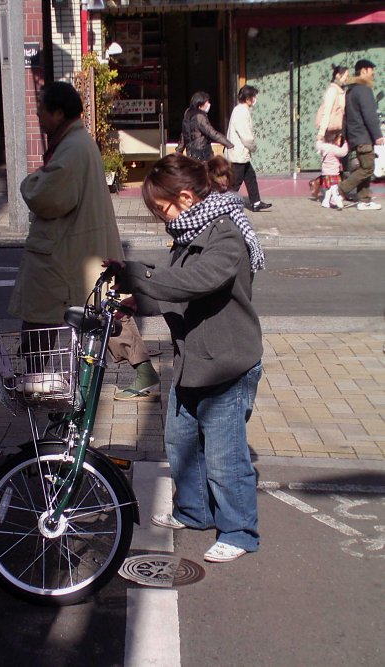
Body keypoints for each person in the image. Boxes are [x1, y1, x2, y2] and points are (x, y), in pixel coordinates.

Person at [104, 153, 264, 563]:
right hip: (195, 361)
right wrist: (135, 302)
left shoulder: (225, 235)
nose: (160, 217)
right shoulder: (190, 234)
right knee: (181, 441)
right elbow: (174, 298)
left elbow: (195, 282)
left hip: (227, 363)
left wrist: (141, 274)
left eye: (161, 209)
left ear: (187, 197)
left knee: (226, 455)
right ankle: (193, 511)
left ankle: (240, 530)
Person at [8, 81, 159, 401]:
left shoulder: (72, 147)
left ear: (59, 113)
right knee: (103, 310)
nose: (37, 115)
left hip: (70, 251)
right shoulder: (75, 142)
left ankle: (31, 381)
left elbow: (47, 197)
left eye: (42, 110)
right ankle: (30, 379)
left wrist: (29, 182)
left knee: (48, 314)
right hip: (81, 246)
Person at [329, 59, 384, 212]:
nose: (373, 73)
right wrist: (378, 135)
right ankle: (339, 190)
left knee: (364, 167)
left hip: (356, 135)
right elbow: (369, 115)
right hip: (363, 136)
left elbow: (348, 116)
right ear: (363, 71)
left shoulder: (352, 90)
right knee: (368, 168)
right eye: (371, 70)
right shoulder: (364, 90)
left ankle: (364, 200)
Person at [226, 85, 272, 212]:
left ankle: (256, 202)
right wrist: (253, 147)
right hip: (239, 154)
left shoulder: (241, 110)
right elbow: (246, 136)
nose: (255, 99)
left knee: (250, 176)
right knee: (236, 182)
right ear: (247, 98)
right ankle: (225, 204)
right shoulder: (241, 112)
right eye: (253, 96)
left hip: (241, 154)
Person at [310, 64, 349, 198]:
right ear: (338, 75)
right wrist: (321, 133)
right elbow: (327, 113)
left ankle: (332, 190)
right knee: (333, 162)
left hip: (337, 129)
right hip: (330, 130)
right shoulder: (332, 91)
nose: (346, 79)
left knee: (334, 163)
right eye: (345, 76)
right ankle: (328, 188)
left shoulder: (339, 90)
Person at [175, 91, 233, 161]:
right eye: (207, 102)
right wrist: (229, 144)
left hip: (190, 152)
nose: (209, 104)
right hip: (202, 153)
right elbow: (212, 133)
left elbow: (184, 134)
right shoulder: (200, 116)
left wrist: (179, 150)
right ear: (200, 105)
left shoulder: (188, 113)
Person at [316, 130, 349, 209]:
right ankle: (337, 201)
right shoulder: (334, 149)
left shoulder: (323, 147)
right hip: (333, 172)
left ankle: (326, 202)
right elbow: (343, 152)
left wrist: (319, 139)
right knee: (334, 188)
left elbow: (317, 145)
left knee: (328, 188)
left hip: (325, 172)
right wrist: (345, 144)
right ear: (335, 140)